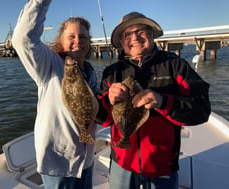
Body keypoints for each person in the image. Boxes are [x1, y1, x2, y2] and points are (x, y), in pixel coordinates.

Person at [96, 12, 211, 189]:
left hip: (162, 165)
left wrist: (163, 102)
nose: (134, 37)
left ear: (151, 34)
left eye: (140, 31)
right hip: (122, 162)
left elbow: (201, 109)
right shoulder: (112, 72)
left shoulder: (175, 66)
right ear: (121, 42)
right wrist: (107, 101)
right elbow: (103, 119)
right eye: (127, 34)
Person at [12, 0, 98, 189]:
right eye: (71, 36)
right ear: (61, 40)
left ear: (89, 42)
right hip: (57, 164)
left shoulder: (91, 72)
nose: (78, 41)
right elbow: (22, 39)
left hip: (86, 159)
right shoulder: (49, 65)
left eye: (83, 37)